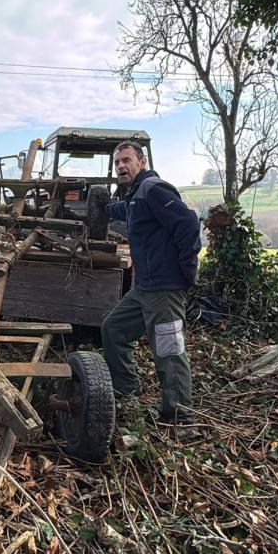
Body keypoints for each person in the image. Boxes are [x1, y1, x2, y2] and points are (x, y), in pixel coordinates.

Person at [101, 141, 201, 426]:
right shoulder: (137, 196)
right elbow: (127, 210)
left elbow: (188, 224)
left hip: (165, 289)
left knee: (169, 350)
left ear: (141, 162)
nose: (121, 166)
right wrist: (105, 207)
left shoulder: (153, 189)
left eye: (126, 160)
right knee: (113, 329)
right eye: (117, 162)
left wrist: (187, 269)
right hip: (144, 289)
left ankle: (180, 416)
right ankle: (127, 389)